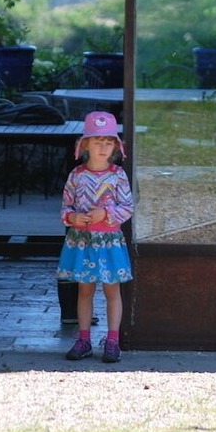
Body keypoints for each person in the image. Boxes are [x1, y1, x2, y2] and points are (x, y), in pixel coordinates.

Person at [58, 111, 134, 364]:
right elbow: (65, 208)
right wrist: (73, 218)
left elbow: (128, 207)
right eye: (97, 141)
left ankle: (112, 340)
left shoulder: (118, 175)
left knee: (112, 290)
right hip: (82, 242)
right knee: (84, 291)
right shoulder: (76, 175)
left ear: (116, 147)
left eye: (108, 142)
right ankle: (84, 340)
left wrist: (106, 213)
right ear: (85, 145)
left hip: (109, 242)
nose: (103, 147)